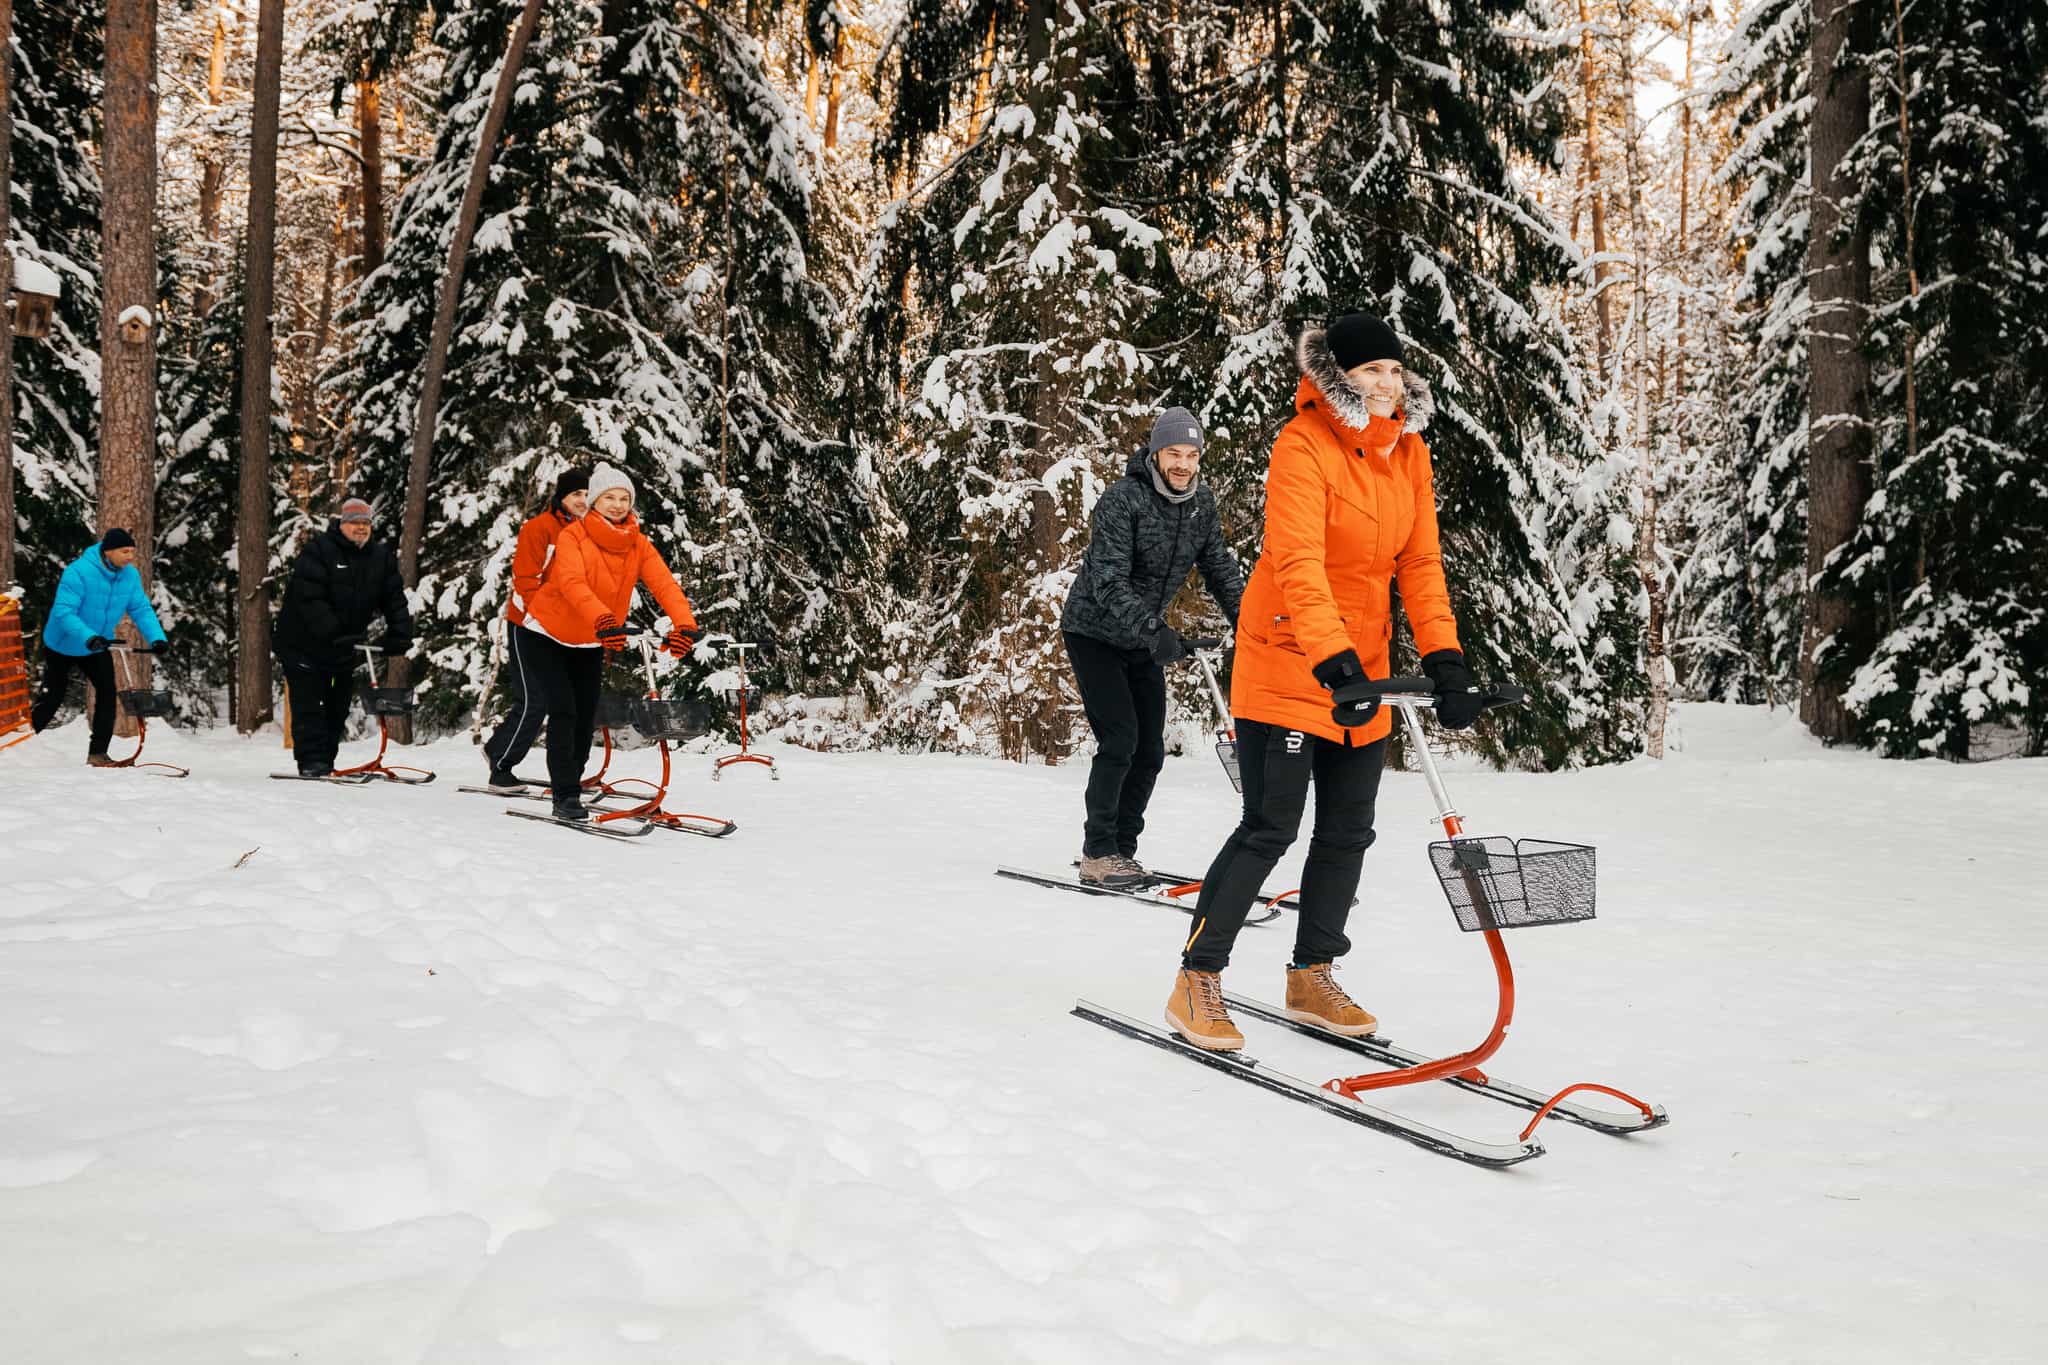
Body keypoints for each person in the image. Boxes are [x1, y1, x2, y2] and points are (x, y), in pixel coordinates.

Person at [1165, 313, 1487, 1052]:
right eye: (1371, 370)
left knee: (1347, 831)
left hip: (1359, 670)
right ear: (1339, 377)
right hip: (1289, 658)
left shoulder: (1409, 453)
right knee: (1270, 826)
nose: (1387, 383)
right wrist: (1331, 655)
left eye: (1394, 370)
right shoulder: (1302, 444)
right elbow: (1298, 560)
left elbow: (1421, 565)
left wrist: (1445, 656)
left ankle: (1312, 972)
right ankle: (1196, 977)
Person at [1059, 406, 1243, 887]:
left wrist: (1250, 622)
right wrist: (1153, 630)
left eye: (1192, 455)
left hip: (1141, 637)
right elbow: (1107, 580)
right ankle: (1098, 852)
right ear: (1156, 454)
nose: (1183, 464)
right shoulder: (1123, 500)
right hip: (1093, 631)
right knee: (1120, 740)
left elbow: (1219, 569)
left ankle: (1122, 850)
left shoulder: (1201, 504)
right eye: (1174, 453)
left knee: (1149, 752)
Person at [517, 463, 701, 822]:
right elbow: (572, 583)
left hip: (589, 638)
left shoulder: (637, 542)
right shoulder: (574, 536)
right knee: (564, 711)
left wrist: (685, 625)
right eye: (609, 498)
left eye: (623, 498)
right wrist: (603, 618)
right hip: (546, 633)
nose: (617, 505)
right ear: (594, 502)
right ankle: (565, 795)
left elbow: (663, 584)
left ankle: (571, 780)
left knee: (585, 715)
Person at [274, 497, 415, 778]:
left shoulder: (379, 558)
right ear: (342, 525)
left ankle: (325, 761)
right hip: (302, 644)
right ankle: (312, 762)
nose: (361, 528)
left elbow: (394, 599)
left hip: (342, 646)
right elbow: (309, 599)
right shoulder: (319, 551)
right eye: (354, 523)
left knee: (337, 705)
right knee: (310, 704)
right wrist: (335, 631)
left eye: (366, 523)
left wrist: (400, 634)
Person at [481, 466, 590, 790]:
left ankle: (501, 748)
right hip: (529, 625)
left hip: (564, 630)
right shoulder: (539, 528)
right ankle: (501, 766)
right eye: (576, 494)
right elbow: (525, 580)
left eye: (587, 494)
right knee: (534, 700)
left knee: (568, 702)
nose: (583, 500)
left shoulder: (588, 531)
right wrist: (537, 619)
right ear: (562, 496)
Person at [30, 528, 169, 765]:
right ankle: (22, 742)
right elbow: (64, 612)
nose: (130, 557)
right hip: (63, 643)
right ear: (108, 551)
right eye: (124, 551)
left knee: (107, 694)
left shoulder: (130, 575)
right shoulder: (78, 572)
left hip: (96, 644)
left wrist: (157, 638)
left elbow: (141, 609)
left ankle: (98, 753)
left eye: (132, 551)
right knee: (53, 697)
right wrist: (89, 636)